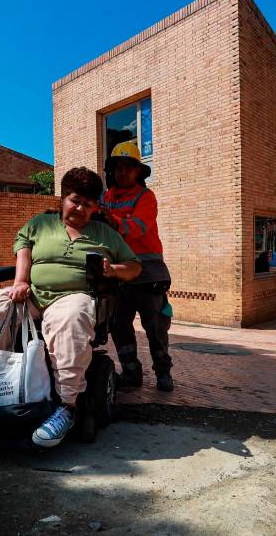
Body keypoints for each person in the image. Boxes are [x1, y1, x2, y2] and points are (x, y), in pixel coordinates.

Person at [0, 167, 141, 447]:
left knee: (72, 315)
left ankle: (67, 406)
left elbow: (135, 267)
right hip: (32, 294)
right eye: (75, 200)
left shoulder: (105, 234)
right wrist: (20, 281)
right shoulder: (40, 223)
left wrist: (112, 269)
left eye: (88, 204)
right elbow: (23, 247)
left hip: (73, 296)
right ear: (63, 198)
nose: (79, 208)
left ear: (95, 207)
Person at [100, 142, 174, 392]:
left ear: (138, 172)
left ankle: (163, 372)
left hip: (147, 273)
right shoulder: (106, 198)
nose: (122, 172)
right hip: (119, 275)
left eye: (128, 167)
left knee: (155, 327)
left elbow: (140, 227)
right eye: (118, 167)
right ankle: (131, 372)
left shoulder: (146, 197)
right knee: (118, 325)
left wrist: (113, 220)